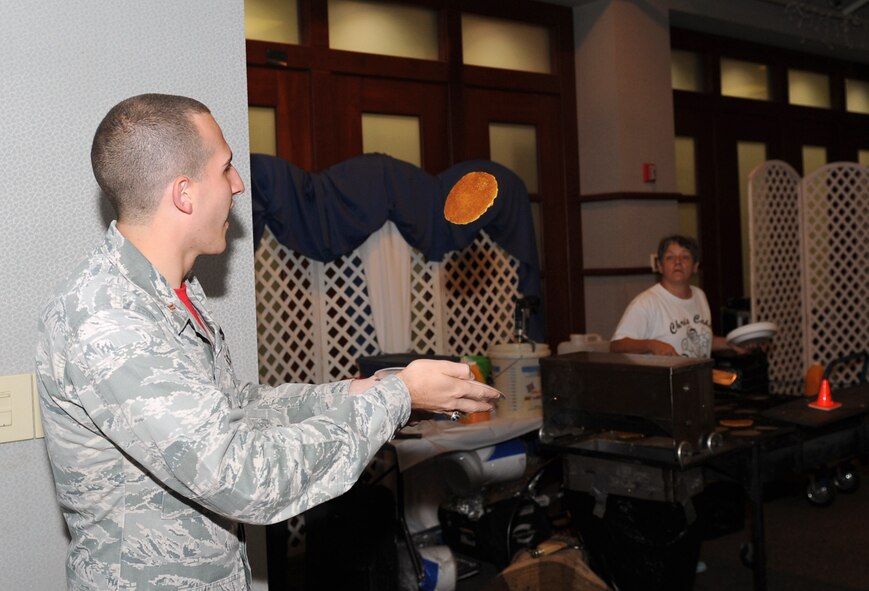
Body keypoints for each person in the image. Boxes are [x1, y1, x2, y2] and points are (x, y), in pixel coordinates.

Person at [34, 93, 500, 591]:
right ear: (184, 193)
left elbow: (237, 408)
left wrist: (361, 391)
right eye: (226, 168)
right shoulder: (108, 319)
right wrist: (397, 399)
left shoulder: (173, 293)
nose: (238, 185)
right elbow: (240, 474)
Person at [609, 234, 740, 358]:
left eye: (685, 257)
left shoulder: (700, 295)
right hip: (663, 382)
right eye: (670, 257)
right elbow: (616, 345)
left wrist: (732, 344)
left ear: (695, 267)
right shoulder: (646, 302)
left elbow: (700, 341)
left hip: (697, 379)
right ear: (659, 266)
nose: (678, 262)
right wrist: (652, 345)